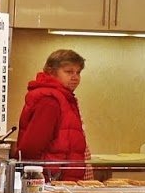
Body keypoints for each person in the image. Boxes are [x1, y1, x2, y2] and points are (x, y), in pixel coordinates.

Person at [17, 48, 91, 180]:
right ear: (51, 72)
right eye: (69, 72)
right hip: (51, 180)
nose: (75, 77)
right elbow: (32, 147)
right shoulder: (49, 101)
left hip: (57, 179)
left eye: (78, 72)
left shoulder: (63, 97)